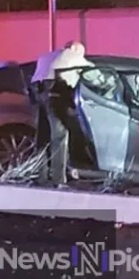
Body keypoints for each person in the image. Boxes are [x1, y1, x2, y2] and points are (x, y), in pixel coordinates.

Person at [30, 41, 94, 186]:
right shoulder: (71, 55)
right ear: (75, 49)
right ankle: (59, 179)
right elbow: (92, 71)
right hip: (56, 98)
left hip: (39, 96)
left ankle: (41, 176)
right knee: (59, 139)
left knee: (42, 139)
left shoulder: (48, 56)